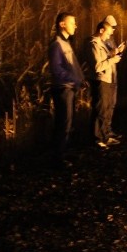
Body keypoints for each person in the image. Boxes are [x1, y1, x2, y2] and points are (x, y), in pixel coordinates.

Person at [48, 12, 85, 164]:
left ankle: (65, 152)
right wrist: (76, 79)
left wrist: (80, 80)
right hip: (63, 89)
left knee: (68, 122)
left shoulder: (66, 43)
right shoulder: (57, 44)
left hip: (69, 88)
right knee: (63, 123)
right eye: (72, 22)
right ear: (62, 24)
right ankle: (58, 157)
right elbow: (57, 70)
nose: (75, 25)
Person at [87, 20, 123, 149]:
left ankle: (104, 136)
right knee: (100, 109)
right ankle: (97, 138)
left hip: (107, 79)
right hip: (100, 80)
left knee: (105, 109)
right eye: (108, 33)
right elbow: (97, 66)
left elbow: (104, 59)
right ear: (101, 30)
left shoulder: (100, 44)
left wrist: (114, 53)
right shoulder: (93, 44)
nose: (109, 37)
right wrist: (113, 59)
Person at [102, 14, 123, 140]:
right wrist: (114, 52)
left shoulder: (111, 39)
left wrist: (118, 51)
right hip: (106, 76)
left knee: (112, 104)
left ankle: (108, 130)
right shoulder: (102, 39)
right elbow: (103, 56)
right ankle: (103, 132)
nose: (114, 30)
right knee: (106, 105)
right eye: (112, 27)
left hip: (113, 75)